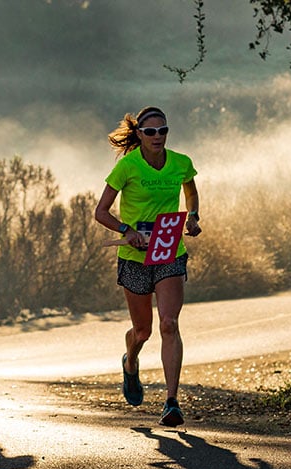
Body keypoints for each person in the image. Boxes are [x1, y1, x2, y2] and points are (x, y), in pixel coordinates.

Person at [94, 106, 202, 427]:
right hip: (134, 257)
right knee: (144, 330)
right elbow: (101, 212)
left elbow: (191, 192)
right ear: (139, 134)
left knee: (169, 323)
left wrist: (193, 216)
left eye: (163, 131)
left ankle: (171, 402)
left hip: (169, 250)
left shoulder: (181, 163)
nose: (158, 137)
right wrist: (126, 231)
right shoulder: (127, 167)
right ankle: (131, 362)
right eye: (151, 132)